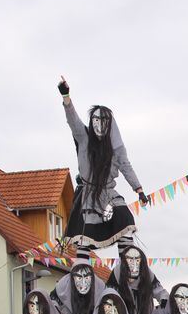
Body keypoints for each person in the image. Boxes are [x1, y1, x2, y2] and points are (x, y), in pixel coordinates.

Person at [57, 76, 148, 262]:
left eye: (103, 120)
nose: (99, 124)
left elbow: (125, 166)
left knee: (124, 217)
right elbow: (73, 121)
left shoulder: (116, 148)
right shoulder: (84, 138)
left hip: (107, 190)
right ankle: (81, 269)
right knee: (85, 234)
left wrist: (138, 189)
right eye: (96, 120)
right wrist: (66, 97)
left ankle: (126, 265)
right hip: (88, 193)